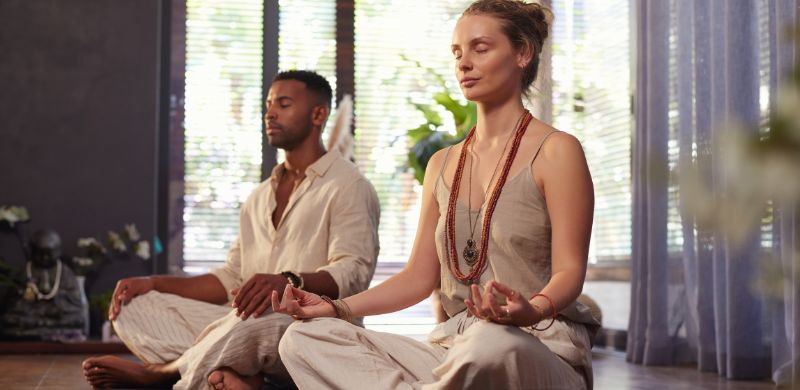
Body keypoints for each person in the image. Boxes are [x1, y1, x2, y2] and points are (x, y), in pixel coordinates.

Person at [272, 1, 601, 389]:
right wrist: (335, 307)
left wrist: (531, 310)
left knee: (492, 342)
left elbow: (569, 272)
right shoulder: (442, 164)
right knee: (305, 338)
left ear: (522, 53)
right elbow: (417, 278)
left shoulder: (557, 150)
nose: (463, 63)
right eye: (457, 52)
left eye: (480, 48)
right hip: (455, 347)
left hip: (534, 344)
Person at [81, 70, 380, 389]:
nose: (271, 113)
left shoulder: (349, 186)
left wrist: (289, 281)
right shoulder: (259, 197)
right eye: (268, 104)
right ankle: (239, 377)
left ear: (318, 114)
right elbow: (232, 278)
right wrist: (153, 283)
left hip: (308, 329)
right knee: (133, 306)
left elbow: (354, 273)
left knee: (263, 316)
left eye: (284, 103)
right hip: (243, 324)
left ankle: (166, 374)